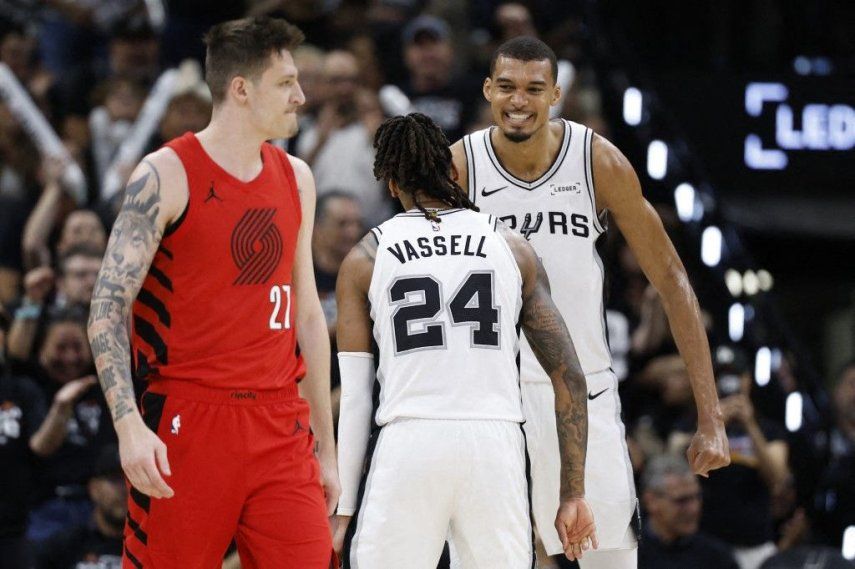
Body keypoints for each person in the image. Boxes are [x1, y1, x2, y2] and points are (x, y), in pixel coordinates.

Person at [449, 36, 730, 568]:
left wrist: (710, 415)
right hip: (492, 397)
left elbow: (672, 280)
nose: (519, 100)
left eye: (535, 88)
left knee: (612, 560)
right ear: (488, 91)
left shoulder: (595, 160)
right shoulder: (458, 170)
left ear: (555, 93)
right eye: (506, 86)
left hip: (586, 391)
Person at [86, 16, 339, 568]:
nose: (301, 95)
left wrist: (327, 445)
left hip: (280, 424)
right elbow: (106, 309)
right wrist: (129, 427)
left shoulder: (297, 176)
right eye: (286, 82)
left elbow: (308, 317)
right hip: (188, 423)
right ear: (241, 89)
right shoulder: (165, 174)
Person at [333, 113, 597, 568]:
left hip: (409, 441)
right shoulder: (512, 248)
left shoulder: (365, 256)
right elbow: (569, 375)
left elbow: (356, 398)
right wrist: (573, 493)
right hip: (493, 446)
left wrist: (344, 509)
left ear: (391, 184)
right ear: (452, 172)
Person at [638, 455, 739, 569]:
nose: (694, 509)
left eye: (697, 497)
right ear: (651, 501)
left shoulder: (716, 557)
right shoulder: (629, 555)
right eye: (682, 500)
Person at [34, 444, 126, 569]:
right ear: (94, 488)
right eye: (114, 480)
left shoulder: (149, 545)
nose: (124, 490)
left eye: (130, 481)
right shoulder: (63, 547)